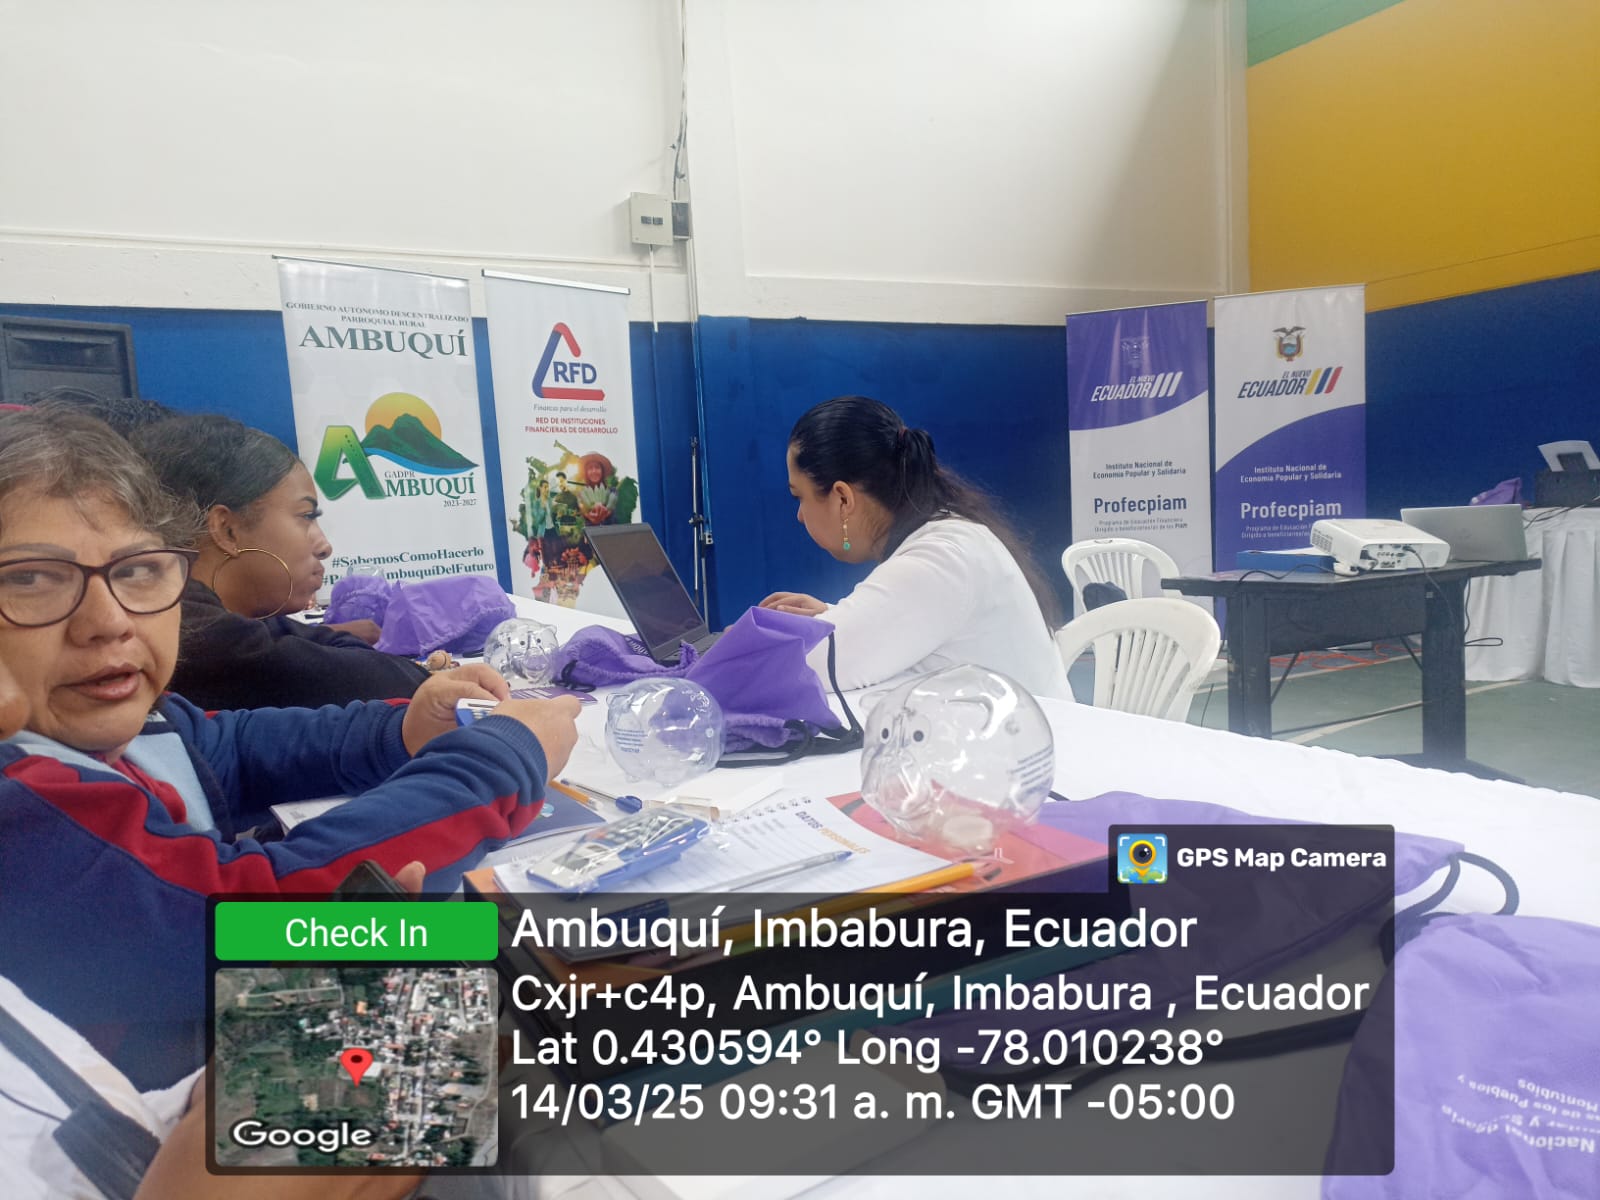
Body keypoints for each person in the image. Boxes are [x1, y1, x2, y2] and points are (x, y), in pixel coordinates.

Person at [0, 408, 581, 1089]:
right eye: (31, 579)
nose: (109, 622)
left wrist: (401, 731)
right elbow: (259, 913)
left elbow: (229, 747)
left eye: (139, 570)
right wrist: (505, 762)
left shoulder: (113, 725)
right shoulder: (20, 806)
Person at [760, 395, 1071, 699]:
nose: (800, 516)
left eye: (799, 496)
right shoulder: (950, 532)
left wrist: (749, 645)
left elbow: (811, 666)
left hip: (1029, 732)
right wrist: (834, 615)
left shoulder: (939, 559)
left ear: (843, 498)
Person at [127, 413, 432, 709]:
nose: (324, 547)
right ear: (227, 530)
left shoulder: (223, 624)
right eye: (306, 516)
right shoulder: (196, 635)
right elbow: (393, 681)